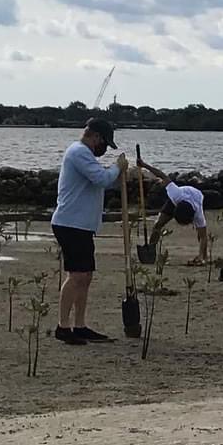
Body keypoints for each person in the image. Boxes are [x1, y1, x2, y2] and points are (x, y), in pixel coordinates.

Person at [51, 118, 128, 345]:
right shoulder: (79, 152)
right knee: (76, 275)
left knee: (85, 276)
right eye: (104, 143)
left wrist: (120, 174)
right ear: (95, 137)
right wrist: (117, 166)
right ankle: (63, 326)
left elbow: (101, 180)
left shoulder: (85, 156)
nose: (103, 148)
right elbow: (101, 178)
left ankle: (80, 325)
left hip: (82, 226)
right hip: (70, 224)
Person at [136, 157, 209, 264]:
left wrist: (200, 256)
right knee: (158, 225)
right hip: (178, 198)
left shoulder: (198, 213)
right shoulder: (175, 194)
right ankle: (151, 250)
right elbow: (162, 175)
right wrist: (144, 165)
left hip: (196, 196)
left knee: (201, 232)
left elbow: (203, 236)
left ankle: (204, 256)